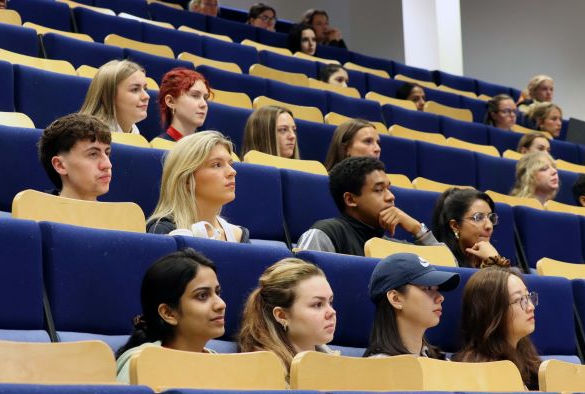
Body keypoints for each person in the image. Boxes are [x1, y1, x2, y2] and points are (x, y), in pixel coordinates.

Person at [116, 248, 225, 383]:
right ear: (168, 313)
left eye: (217, 292)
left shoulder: (218, 362)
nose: (221, 304)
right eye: (202, 296)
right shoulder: (141, 363)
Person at [297, 157, 439, 256]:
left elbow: (451, 269)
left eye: (389, 188)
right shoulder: (324, 234)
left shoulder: (391, 244)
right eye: (378, 190)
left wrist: (417, 229)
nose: (391, 196)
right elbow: (300, 288)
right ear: (350, 199)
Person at [238, 258, 336, 377]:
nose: (331, 312)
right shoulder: (265, 374)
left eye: (330, 302)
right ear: (282, 315)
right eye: (317, 305)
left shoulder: (335, 362)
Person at [147, 131, 250, 242]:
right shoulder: (164, 232)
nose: (232, 172)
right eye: (217, 165)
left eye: (230, 164)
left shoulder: (239, 236)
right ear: (186, 179)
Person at [452, 263, 540, 390]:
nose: (531, 307)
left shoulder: (526, 357)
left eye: (528, 297)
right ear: (492, 312)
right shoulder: (479, 371)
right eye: (519, 300)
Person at [364, 253, 460, 358]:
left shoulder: (440, 361)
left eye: (437, 289)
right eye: (427, 288)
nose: (441, 298)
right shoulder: (378, 367)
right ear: (395, 299)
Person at [37, 113, 112, 201]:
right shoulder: (33, 212)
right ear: (60, 165)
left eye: (107, 153)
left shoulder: (121, 213)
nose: (107, 164)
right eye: (93, 154)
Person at [432, 188, 508, 268]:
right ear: (455, 226)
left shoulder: (488, 256)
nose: (489, 226)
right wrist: (494, 262)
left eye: (490, 217)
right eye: (478, 218)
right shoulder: (444, 264)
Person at [79, 60, 149, 134]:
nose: (146, 96)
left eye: (145, 89)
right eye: (135, 89)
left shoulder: (134, 132)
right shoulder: (88, 137)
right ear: (109, 95)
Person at [157, 68, 211, 142]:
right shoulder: (158, 146)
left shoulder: (209, 150)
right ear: (170, 101)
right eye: (195, 95)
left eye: (205, 98)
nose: (204, 104)